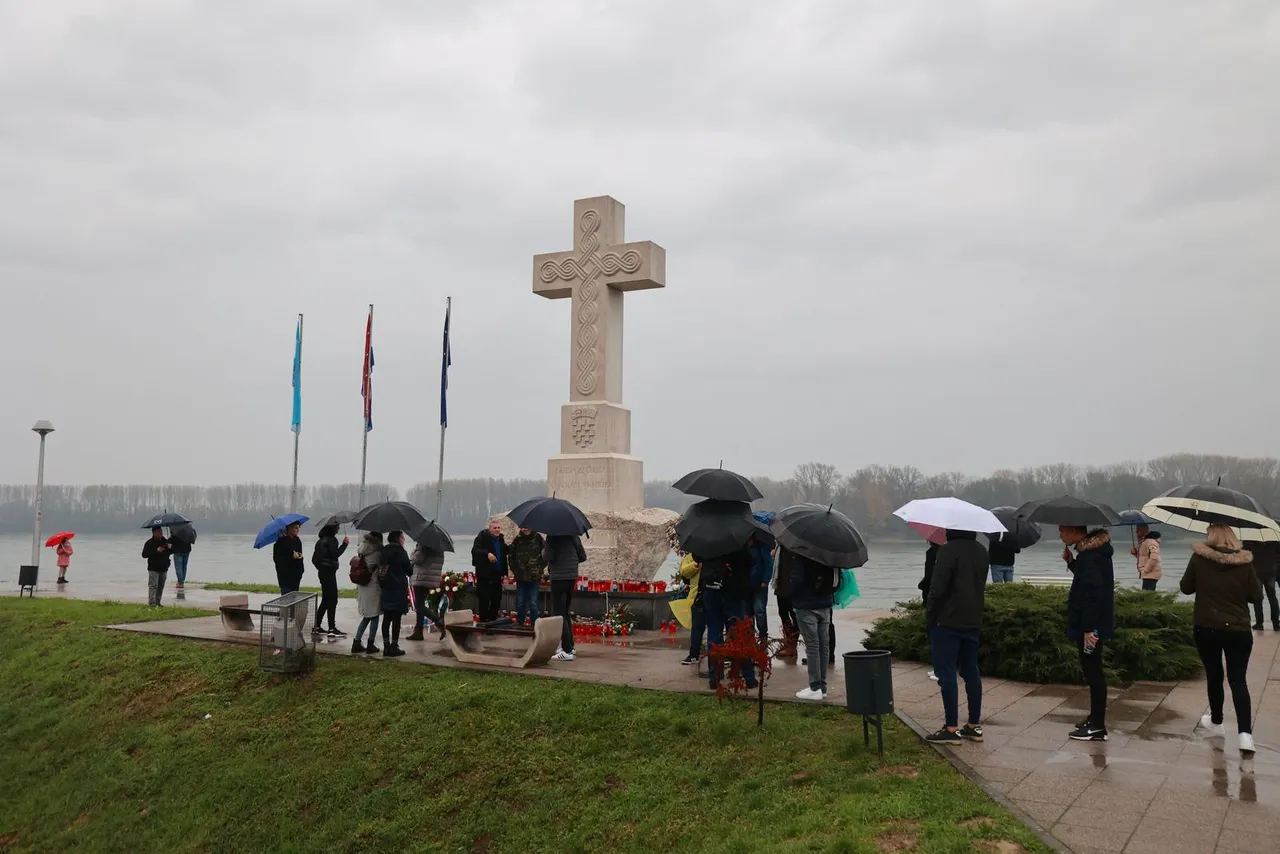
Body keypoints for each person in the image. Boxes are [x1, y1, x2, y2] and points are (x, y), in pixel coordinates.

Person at [1180, 524, 1263, 754]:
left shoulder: (1199, 559)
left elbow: (1185, 588)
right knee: (1238, 680)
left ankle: (1217, 722)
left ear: (1211, 536)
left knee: (1214, 674)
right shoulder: (1245, 563)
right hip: (1238, 630)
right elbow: (1256, 596)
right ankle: (1245, 735)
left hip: (1207, 627)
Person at [924, 530, 988, 744]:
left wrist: (930, 614)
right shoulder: (981, 550)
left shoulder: (948, 551)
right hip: (973, 618)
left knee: (947, 671)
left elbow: (937, 586)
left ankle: (951, 727)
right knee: (971, 670)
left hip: (947, 620)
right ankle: (973, 724)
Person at [1061, 526, 1116, 741]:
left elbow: (1094, 594)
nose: (1060, 536)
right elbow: (1087, 581)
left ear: (1075, 532)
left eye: (1062, 531)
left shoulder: (1090, 557)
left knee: (1094, 672)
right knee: (1092, 670)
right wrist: (1072, 563)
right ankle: (1094, 718)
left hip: (1091, 627)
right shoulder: (1091, 555)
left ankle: (1098, 726)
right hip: (1093, 624)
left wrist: (1088, 629)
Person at [695, 547, 758, 692]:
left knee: (714, 634)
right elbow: (749, 561)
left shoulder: (707, 538)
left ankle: (715, 678)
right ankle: (748, 677)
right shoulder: (736, 540)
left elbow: (697, 556)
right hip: (732, 591)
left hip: (711, 590)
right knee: (739, 633)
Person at [789, 548, 835, 700]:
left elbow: (797, 580)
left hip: (806, 605)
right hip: (825, 604)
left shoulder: (802, 556)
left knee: (813, 647)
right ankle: (822, 687)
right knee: (824, 646)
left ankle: (814, 687)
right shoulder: (831, 556)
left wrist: (790, 596)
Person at [545, 533, 587, 661]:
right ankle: (570, 645)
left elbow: (548, 556)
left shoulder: (552, 536)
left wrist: (544, 552)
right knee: (566, 612)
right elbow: (582, 556)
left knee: (560, 614)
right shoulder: (573, 535)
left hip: (558, 578)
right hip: (571, 577)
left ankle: (567, 650)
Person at [378, 530, 413, 657]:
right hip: (398, 589)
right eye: (403, 537)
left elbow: (381, 569)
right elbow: (409, 571)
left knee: (386, 618)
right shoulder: (401, 552)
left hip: (387, 588)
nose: (404, 539)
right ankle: (394, 645)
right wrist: (411, 560)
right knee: (396, 619)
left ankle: (386, 646)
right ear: (398, 538)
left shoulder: (384, 551)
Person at [311, 523, 349, 637]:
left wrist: (321, 567)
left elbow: (314, 559)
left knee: (326, 600)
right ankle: (331, 628)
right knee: (333, 600)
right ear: (333, 529)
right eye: (337, 527)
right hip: (329, 573)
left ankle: (317, 626)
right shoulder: (332, 540)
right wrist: (344, 545)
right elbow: (335, 554)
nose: (338, 529)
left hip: (322, 573)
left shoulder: (320, 541)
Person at [407, 540, 446, 642]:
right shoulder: (439, 546)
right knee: (420, 605)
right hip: (431, 579)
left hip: (421, 577)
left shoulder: (423, 544)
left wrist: (413, 554)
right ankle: (418, 632)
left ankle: (438, 621)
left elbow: (418, 559)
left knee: (418, 605)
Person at [507, 527, 547, 626]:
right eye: (523, 527)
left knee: (534, 603)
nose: (525, 529)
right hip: (521, 577)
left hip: (534, 577)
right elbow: (511, 556)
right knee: (520, 603)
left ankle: (534, 626)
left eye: (527, 526)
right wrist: (515, 570)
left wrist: (539, 568)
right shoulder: (517, 539)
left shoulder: (538, 538)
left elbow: (546, 554)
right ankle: (520, 625)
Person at [352, 531, 383, 654]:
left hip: (362, 585)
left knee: (367, 615)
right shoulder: (377, 552)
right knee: (374, 615)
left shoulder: (362, 549)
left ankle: (357, 641)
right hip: (373, 586)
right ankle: (370, 643)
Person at [471, 520, 507, 623]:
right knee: (484, 601)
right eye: (494, 528)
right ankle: (483, 622)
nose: (497, 530)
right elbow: (475, 550)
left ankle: (492, 622)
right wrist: (487, 554)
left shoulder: (501, 539)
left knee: (496, 601)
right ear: (490, 529)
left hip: (497, 575)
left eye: (498, 528)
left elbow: (504, 554)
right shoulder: (482, 537)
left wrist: (505, 573)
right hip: (485, 576)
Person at [918, 541, 940, 681]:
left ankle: (939, 668)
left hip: (934, 599)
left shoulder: (933, 553)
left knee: (934, 634)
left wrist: (922, 585)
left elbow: (930, 576)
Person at [679, 553, 706, 665]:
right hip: (697, 596)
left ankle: (721, 656)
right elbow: (684, 571)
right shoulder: (693, 555)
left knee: (716, 627)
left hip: (714, 595)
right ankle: (694, 655)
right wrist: (696, 565)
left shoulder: (717, 553)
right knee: (697, 627)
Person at [773, 546, 799, 659]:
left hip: (792, 586)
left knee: (795, 616)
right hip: (781, 584)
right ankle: (788, 641)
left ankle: (792, 644)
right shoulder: (780, 546)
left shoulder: (796, 547)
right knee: (783, 614)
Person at [748, 534, 774, 639]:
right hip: (746, 584)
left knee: (759, 610)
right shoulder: (742, 547)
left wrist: (766, 580)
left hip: (759, 584)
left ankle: (763, 635)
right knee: (747, 613)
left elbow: (769, 564)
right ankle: (749, 637)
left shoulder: (761, 546)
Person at [1249, 540, 1280, 631]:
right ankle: (1276, 623)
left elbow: (1245, 555)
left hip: (1256, 571)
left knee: (1257, 598)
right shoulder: (1273, 540)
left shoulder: (1249, 540)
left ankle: (1259, 623)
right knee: (1272, 597)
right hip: (1271, 571)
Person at [272, 521, 305, 594]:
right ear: (289, 528)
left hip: (296, 576)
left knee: (295, 599)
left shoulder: (297, 541)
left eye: (299, 527)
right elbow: (277, 560)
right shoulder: (279, 543)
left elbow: (301, 556)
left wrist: (301, 570)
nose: (298, 529)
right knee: (286, 600)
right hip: (285, 577)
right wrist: (291, 557)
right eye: (296, 528)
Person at [142, 527, 171, 606]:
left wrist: (170, 548)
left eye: (161, 531)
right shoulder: (149, 543)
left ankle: (158, 602)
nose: (161, 533)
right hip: (153, 568)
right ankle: (152, 603)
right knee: (153, 586)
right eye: (158, 532)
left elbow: (170, 553)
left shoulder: (166, 541)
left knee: (161, 586)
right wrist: (156, 551)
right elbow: (144, 555)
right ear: (154, 533)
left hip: (164, 567)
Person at [1132, 524, 1163, 591]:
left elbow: (1154, 557)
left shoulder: (1150, 542)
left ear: (1145, 530)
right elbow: (1144, 558)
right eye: (1136, 530)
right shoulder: (1144, 542)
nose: (1136, 532)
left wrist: (1146, 570)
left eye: (1138, 530)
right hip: (1149, 574)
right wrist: (1136, 554)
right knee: (1149, 595)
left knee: (1146, 596)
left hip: (1151, 574)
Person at [170, 524, 196, 589]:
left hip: (178, 551)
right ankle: (181, 581)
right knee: (184, 566)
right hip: (187, 550)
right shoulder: (188, 529)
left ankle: (180, 583)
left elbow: (171, 540)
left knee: (178, 567)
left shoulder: (175, 529)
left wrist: (169, 541)